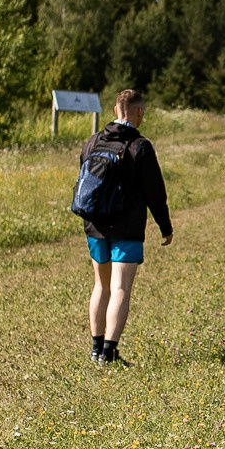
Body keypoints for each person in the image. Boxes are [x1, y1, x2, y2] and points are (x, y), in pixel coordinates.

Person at [79, 89, 173, 366]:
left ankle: (96, 350)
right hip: (126, 227)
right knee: (120, 289)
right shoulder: (140, 146)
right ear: (139, 112)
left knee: (101, 285)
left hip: (95, 224)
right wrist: (164, 225)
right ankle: (109, 353)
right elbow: (155, 192)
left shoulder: (93, 141)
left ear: (114, 110)